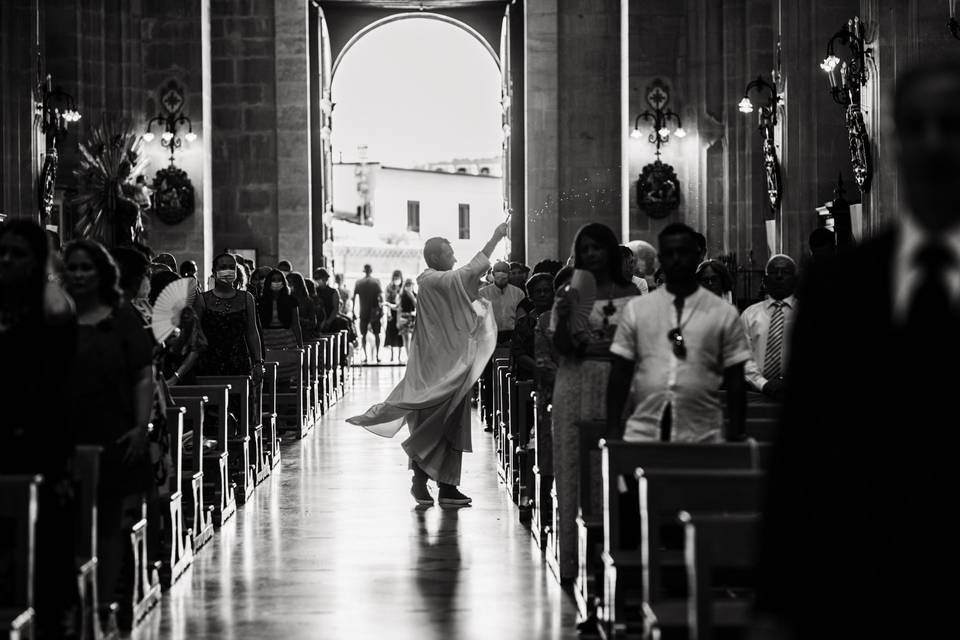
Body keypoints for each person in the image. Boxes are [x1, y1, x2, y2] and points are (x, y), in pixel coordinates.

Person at [753, 61, 960, 640]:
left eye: (952, 123)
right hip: (862, 582)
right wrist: (773, 607)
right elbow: (799, 453)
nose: (935, 141)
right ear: (892, 142)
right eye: (917, 125)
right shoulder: (841, 285)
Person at [348, 222, 510, 507]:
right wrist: (495, 237)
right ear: (435, 258)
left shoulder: (445, 283)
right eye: (449, 253)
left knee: (453, 426)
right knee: (428, 426)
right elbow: (470, 271)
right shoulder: (432, 280)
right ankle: (420, 481)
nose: (455, 259)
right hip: (432, 368)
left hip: (454, 364)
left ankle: (448, 487)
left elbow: (469, 291)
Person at [62, 239, 155, 630]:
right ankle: (72, 602)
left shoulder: (122, 317)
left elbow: (143, 376)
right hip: (66, 430)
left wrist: (140, 427)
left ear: (102, 274)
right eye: (74, 267)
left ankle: (103, 603)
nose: (80, 274)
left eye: (87, 268)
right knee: (67, 521)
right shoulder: (55, 315)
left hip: (114, 429)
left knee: (110, 516)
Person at [0, 220, 79, 639]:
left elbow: (60, 386)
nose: (8, 261)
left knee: (45, 550)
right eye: (3, 252)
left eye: (18, 253)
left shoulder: (53, 311)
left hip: (40, 443)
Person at [550, 223, 641, 582]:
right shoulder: (569, 292)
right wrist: (563, 313)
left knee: (616, 465)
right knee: (573, 463)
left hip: (621, 382)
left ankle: (618, 558)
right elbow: (561, 348)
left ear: (610, 252)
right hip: (576, 380)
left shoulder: (632, 293)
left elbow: (640, 345)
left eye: (597, 247)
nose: (590, 255)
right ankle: (575, 558)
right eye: (584, 249)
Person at [606, 223, 751, 444]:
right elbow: (620, 373)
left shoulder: (724, 313)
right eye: (669, 254)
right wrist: (614, 427)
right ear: (660, 260)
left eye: (683, 253)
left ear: (696, 257)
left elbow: (735, 378)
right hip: (645, 430)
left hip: (703, 431)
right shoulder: (638, 309)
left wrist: (736, 431)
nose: (676, 259)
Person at [195, 253, 264, 383]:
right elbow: (197, 332)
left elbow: (252, 332)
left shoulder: (247, 298)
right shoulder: (202, 300)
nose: (228, 271)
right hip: (211, 360)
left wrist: (258, 362)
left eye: (232, 267)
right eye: (223, 267)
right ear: (214, 272)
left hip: (239, 359)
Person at [740, 255, 797, 400]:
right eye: (773, 272)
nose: (779, 276)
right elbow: (742, 358)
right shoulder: (749, 315)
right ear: (764, 280)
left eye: (785, 272)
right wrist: (764, 384)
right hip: (755, 394)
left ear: (795, 280)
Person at [259, 269, 303, 388]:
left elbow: (295, 323)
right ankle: (271, 404)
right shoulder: (261, 301)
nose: (276, 282)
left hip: (286, 338)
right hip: (267, 338)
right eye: (273, 280)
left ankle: (284, 403)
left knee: (285, 376)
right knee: (268, 375)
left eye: (279, 280)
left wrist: (300, 344)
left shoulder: (290, 300)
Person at [510, 272, 554, 381]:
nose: (542, 294)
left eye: (546, 290)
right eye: (538, 291)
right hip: (530, 376)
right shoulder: (524, 323)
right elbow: (518, 352)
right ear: (531, 295)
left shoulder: (560, 319)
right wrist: (538, 367)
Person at [479, 261, 526, 344]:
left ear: (509, 273)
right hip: (489, 337)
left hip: (513, 336)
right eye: (498, 271)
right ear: (493, 273)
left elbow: (522, 319)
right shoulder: (482, 293)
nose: (501, 273)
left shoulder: (518, 293)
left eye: (504, 271)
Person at [353, 264, 384, 363]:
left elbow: (354, 298)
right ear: (371, 271)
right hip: (374, 311)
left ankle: (365, 356)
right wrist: (381, 310)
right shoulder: (376, 282)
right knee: (377, 334)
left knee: (363, 334)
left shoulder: (359, 283)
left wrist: (353, 311)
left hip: (363, 311)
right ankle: (377, 355)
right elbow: (381, 298)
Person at [286, 271, 318, 342]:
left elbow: (313, 323)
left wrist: (297, 319)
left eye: (290, 283)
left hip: (304, 336)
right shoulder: (285, 299)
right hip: (287, 336)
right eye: (286, 283)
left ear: (298, 284)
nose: (288, 286)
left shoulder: (308, 301)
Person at [383, 269, 404, 362]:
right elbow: (387, 301)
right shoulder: (389, 287)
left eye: (398, 278)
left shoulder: (403, 288)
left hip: (400, 313)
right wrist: (388, 313)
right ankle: (392, 356)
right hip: (391, 312)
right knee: (391, 334)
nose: (396, 280)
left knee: (400, 335)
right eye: (395, 278)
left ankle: (399, 356)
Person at [396, 278, 417, 363]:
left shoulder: (414, 295)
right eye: (408, 285)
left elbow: (416, 305)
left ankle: (411, 357)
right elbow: (399, 308)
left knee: (411, 338)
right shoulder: (401, 295)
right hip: (404, 317)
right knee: (406, 338)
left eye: (411, 285)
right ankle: (409, 357)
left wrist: (411, 295)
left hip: (411, 317)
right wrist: (398, 321)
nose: (409, 287)